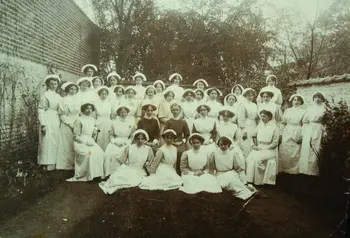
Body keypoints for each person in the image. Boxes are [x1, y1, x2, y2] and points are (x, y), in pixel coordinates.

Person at [99, 129, 154, 194]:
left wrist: (146, 164)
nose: (140, 140)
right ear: (135, 139)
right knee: (120, 177)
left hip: (139, 170)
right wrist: (126, 164)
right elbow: (122, 159)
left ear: (145, 140)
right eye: (138, 139)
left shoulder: (148, 149)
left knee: (132, 179)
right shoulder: (129, 147)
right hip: (129, 167)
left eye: (142, 139)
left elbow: (151, 160)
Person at [67, 103, 104, 182]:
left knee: (100, 153)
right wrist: (85, 142)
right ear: (83, 109)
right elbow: (76, 136)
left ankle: (95, 175)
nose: (89, 110)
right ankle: (82, 175)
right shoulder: (79, 120)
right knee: (88, 154)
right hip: (80, 142)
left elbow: (93, 131)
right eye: (87, 108)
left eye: (91, 109)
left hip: (90, 141)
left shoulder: (92, 120)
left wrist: (95, 131)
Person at [246, 110, 279, 185]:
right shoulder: (260, 125)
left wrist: (264, 148)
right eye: (261, 116)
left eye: (264, 116)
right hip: (260, 147)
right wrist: (253, 145)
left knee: (257, 158)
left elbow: (275, 143)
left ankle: (259, 181)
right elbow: (251, 135)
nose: (262, 118)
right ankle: (250, 180)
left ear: (269, 117)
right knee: (250, 157)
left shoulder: (274, 127)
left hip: (270, 150)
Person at [38, 75, 62, 171]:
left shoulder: (59, 96)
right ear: (48, 84)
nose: (53, 86)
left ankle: (54, 163)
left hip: (56, 119)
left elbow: (61, 109)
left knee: (55, 141)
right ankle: (45, 164)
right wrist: (43, 124)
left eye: (55, 84)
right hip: (47, 117)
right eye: (51, 84)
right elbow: (41, 109)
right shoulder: (44, 95)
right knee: (46, 140)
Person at [104, 105, 136, 177]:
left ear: (127, 113)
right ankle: (110, 173)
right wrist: (114, 142)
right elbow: (111, 134)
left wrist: (127, 142)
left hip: (126, 141)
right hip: (116, 141)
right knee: (109, 153)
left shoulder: (131, 122)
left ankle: (123, 174)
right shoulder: (114, 122)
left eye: (125, 112)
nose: (123, 114)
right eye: (121, 112)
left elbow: (132, 136)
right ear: (119, 113)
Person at [299, 92, 326, 176]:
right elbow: (305, 121)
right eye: (315, 97)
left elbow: (326, 122)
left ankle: (314, 171)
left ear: (322, 99)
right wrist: (303, 132)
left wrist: (325, 132)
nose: (317, 99)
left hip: (318, 128)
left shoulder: (325, 108)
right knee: (307, 148)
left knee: (316, 147)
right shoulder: (310, 108)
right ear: (313, 99)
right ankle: (304, 170)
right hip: (309, 128)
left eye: (319, 97)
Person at [279, 94, 306, 174]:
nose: (296, 102)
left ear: (301, 101)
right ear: (292, 101)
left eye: (298, 100)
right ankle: (285, 169)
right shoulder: (288, 110)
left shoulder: (303, 111)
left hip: (297, 130)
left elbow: (304, 124)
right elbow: (283, 122)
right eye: (294, 100)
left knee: (296, 150)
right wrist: (281, 133)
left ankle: (295, 170)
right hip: (287, 130)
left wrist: (302, 135)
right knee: (285, 149)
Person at [56, 82, 80, 170]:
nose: (73, 91)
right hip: (66, 124)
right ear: (67, 90)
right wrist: (70, 123)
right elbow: (62, 114)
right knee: (66, 144)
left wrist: (77, 124)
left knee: (76, 143)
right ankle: (65, 165)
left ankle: (75, 165)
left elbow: (80, 113)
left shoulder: (78, 100)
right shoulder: (63, 100)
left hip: (77, 123)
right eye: (71, 89)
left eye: (75, 89)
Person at [163, 102, 190, 173]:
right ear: (171, 111)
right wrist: (172, 142)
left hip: (180, 142)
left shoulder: (183, 122)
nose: (175, 111)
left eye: (177, 110)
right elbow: (165, 133)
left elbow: (187, 134)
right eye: (174, 110)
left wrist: (181, 141)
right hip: (170, 142)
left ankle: (181, 172)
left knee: (181, 152)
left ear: (179, 111)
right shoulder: (169, 122)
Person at [237, 88, 258, 159]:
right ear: (245, 96)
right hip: (246, 126)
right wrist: (244, 131)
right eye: (248, 95)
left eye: (252, 95)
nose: (250, 97)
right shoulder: (243, 105)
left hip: (253, 125)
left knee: (253, 143)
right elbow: (240, 119)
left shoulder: (254, 105)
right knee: (246, 144)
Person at [94, 86, 113, 151]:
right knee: (99, 138)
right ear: (99, 94)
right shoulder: (96, 103)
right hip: (99, 122)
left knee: (107, 138)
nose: (104, 95)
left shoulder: (109, 103)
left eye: (105, 94)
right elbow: (94, 115)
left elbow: (111, 115)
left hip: (108, 122)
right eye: (102, 94)